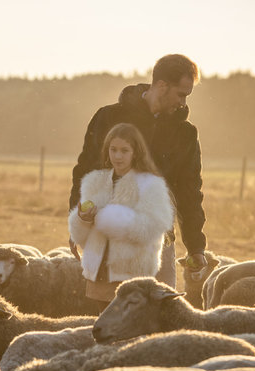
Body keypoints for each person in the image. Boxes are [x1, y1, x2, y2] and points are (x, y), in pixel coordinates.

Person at [69, 53, 207, 288]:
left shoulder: (185, 134)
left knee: (160, 314)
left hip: (158, 237)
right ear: (162, 85)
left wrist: (196, 246)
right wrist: (77, 223)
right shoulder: (108, 117)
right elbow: (86, 170)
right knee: (113, 313)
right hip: (110, 234)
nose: (183, 103)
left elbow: (189, 191)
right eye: (181, 94)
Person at [69, 123, 174, 312]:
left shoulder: (150, 185)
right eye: (113, 149)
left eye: (125, 150)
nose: (117, 156)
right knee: (104, 330)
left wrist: (113, 220)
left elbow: (153, 227)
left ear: (136, 152)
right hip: (99, 272)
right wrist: (82, 219)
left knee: (128, 330)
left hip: (130, 273)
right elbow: (82, 237)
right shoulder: (94, 182)